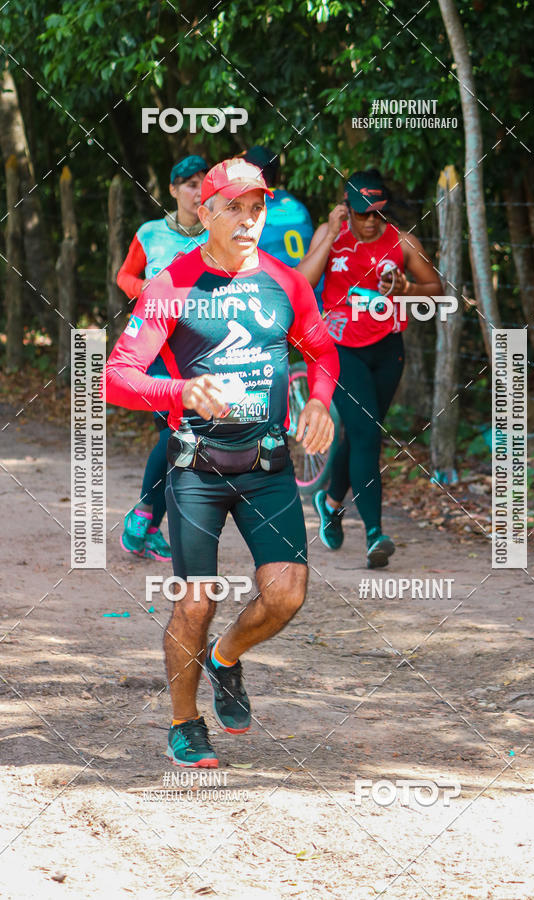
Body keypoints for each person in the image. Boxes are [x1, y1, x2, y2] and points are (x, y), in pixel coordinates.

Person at [105, 158, 339, 767]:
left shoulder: (286, 283)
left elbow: (321, 349)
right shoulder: (171, 286)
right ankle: (184, 724)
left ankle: (225, 657)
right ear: (203, 213)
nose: (246, 219)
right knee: (196, 600)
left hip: (267, 467)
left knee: (286, 596)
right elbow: (116, 378)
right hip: (196, 468)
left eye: (256, 207)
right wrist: (179, 392)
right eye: (231, 207)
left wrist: (318, 400)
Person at [297, 168, 442, 568]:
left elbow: (436, 288)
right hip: (341, 350)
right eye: (363, 213)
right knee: (366, 436)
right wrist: (328, 233)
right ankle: (375, 535)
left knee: (363, 430)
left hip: (388, 351)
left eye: (378, 212)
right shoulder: (334, 238)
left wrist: (406, 290)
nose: (372, 221)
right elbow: (304, 282)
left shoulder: (403, 243)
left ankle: (329, 501)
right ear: (347, 209)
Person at [116, 155, 210, 561]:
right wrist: (148, 289)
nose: (196, 191)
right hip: (154, 348)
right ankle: (147, 518)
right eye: (188, 183)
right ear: (172, 190)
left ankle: (148, 521)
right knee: (176, 432)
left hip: (200, 348)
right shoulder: (150, 233)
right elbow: (124, 277)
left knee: (183, 435)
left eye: (203, 183)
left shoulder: (217, 235)